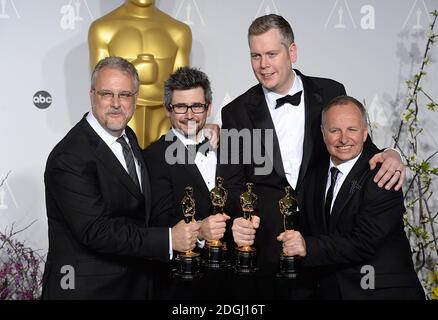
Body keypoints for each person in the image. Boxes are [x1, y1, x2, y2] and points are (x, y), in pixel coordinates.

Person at [218, 14, 405, 299]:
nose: (263, 65)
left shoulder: (331, 91)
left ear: (291, 51)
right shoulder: (234, 111)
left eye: (271, 54)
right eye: (255, 56)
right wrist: (244, 216)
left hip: (327, 243)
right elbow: (230, 185)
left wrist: (390, 153)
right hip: (269, 248)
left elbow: (356, 147)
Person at [42, 56, 199, 299]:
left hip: (134, 284)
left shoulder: (128, 137)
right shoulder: (70, 157)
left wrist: (201, 133)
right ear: (92, 95)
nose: (116, 103)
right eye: (107, 94)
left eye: (125, 95)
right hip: (87, 291)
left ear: (136, 98)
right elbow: (96, 230)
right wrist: (168, 238)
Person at [278, 96, 425, 300]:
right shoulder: (313, 176)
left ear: (365, 132)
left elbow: (364, 241)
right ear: (323, 133)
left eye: (352, 129)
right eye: (335, 130)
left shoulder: (383, 173)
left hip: (381, 293)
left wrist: (308, 246)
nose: (344, 139)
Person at [142, 66, 230, 299]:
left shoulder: (230, 146)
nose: (189, 115)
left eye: (197, 106)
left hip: (235, 280)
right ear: (168, 110)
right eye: (180, 107)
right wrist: (200, 231)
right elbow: (158, 220)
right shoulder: (153, 157)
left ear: (208, 107)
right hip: (183, 284)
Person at [88, 0, 192, 148]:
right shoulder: (102, 29)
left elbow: (182, 92)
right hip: (120, 117)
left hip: (164, 118)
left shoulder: (179, 31)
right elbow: (102, 85)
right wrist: (136, 72)